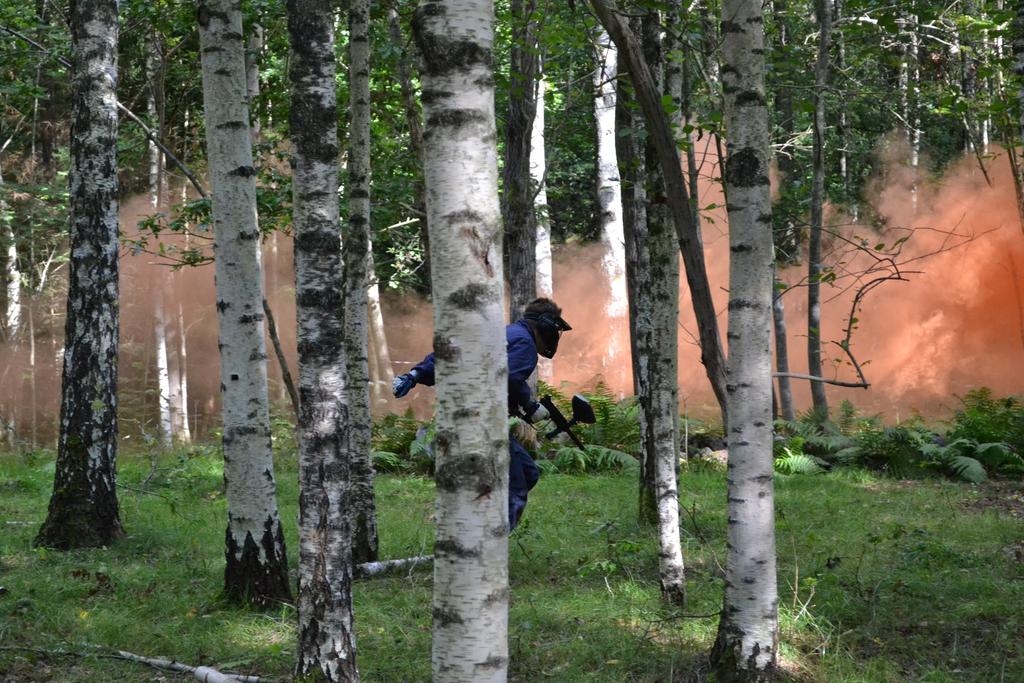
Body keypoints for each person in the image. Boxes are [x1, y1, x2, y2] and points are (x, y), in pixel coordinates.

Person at [392, 297, 572, 531]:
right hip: (479, 419)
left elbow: (453, 353)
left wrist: (415, 374)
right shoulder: (525, 343)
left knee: (527, 472)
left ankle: (469, 530)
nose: (555, 337)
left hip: (466, 417)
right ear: (545, 325)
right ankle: (488, 545)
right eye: (555, 330)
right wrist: (530, 405)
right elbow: (509, 378)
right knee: (516, 483)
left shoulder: (503, 334)